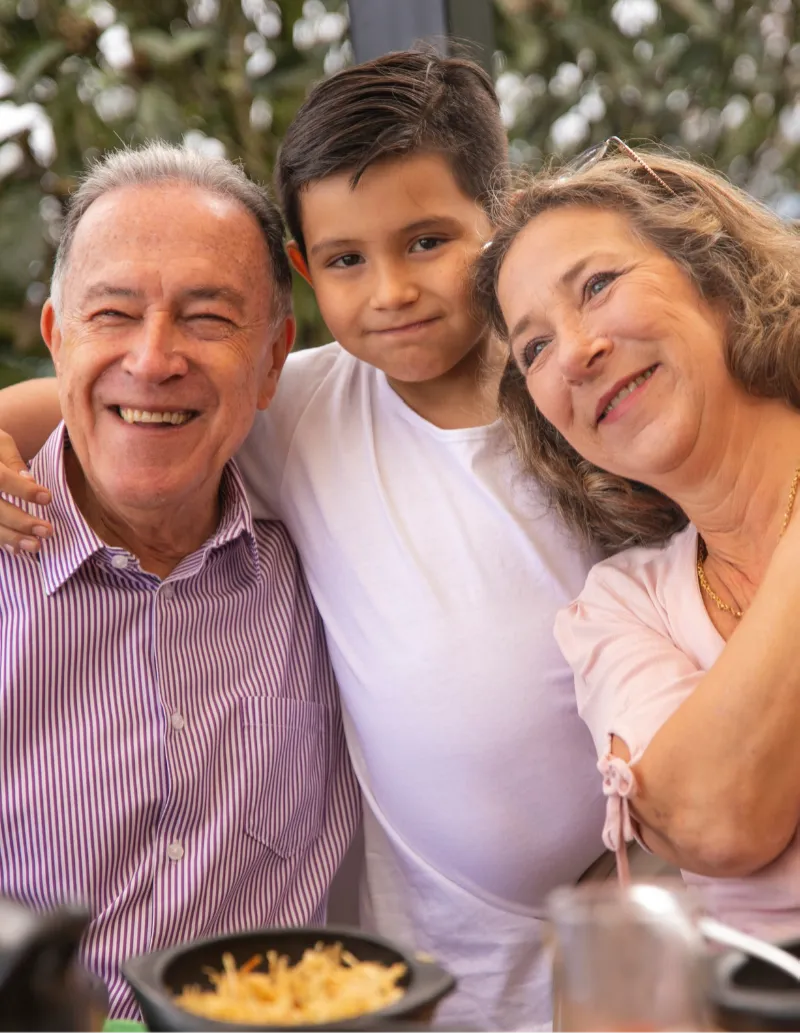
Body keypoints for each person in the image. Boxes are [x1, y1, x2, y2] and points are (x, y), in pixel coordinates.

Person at [0, 53, 606, 1031]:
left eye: (426, 241)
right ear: (308, 271)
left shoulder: (576, 413)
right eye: (346, 260)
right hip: (412, 967)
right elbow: (97, 397)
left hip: (580, 956)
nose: (392, 290)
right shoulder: (312, 404)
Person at [0, 143, 359, 1020]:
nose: (155, 360)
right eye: (114, 313)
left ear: (275, 360)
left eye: (207, 319)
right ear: (58, 338)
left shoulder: (332, 553)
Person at [474, 142, 800, 937]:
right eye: (536, 348)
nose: (578, 354)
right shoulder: (621, 607)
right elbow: (713, 823)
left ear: (718, 280)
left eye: (597, 286)